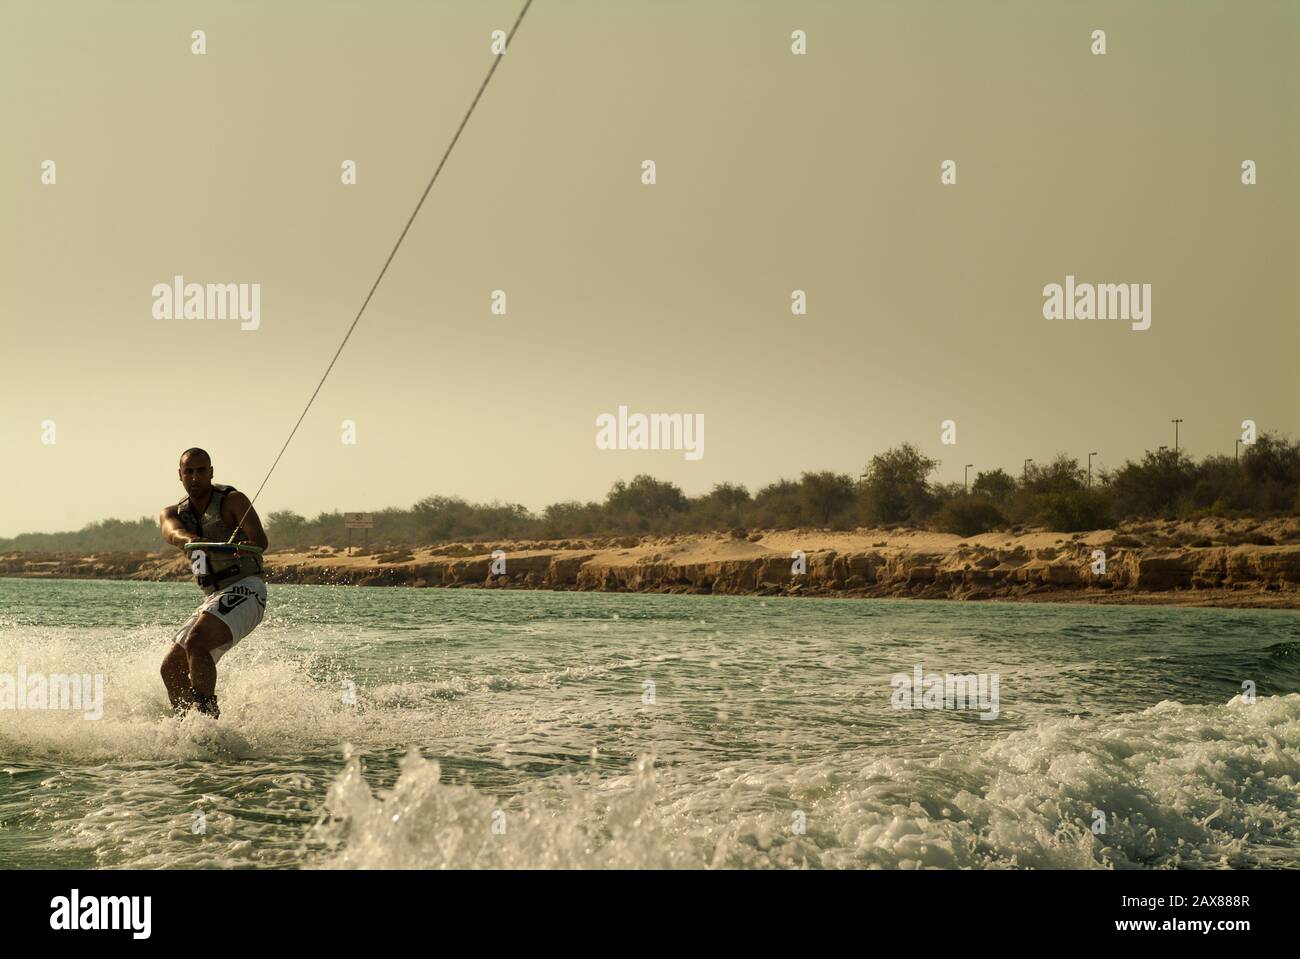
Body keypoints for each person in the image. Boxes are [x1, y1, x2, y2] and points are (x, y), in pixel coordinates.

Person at [158, 448, 268, 718]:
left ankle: (207, 720)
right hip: (214, 598)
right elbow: (172, 533)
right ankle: (187, 726)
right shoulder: (173, 513)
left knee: (197, 642)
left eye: (201, 471)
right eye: (189, 472)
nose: (195, 477)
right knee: (171, 667)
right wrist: (189, 540)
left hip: (247, 589)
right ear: (180, 476)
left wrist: (247, 546)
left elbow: (261, 541)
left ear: (211, 473)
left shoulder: (233, 501)